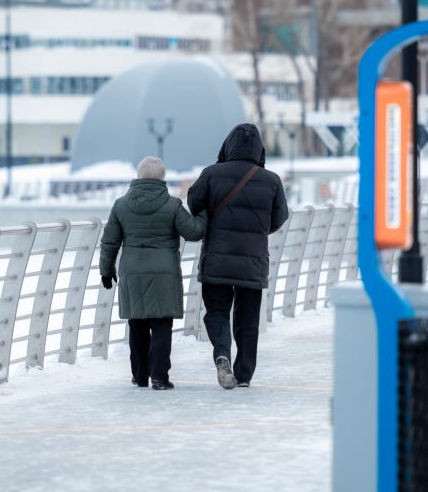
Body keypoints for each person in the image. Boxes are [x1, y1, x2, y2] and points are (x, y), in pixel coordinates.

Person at [188, 124, 289, 389]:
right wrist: (257, 231)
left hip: (217, 258)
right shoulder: (271, 180)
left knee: (218, 312)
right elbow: (280, 217)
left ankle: (223, 354)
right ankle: (244, 374)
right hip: (252, 260)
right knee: (248, 320)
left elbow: (194, 204)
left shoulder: (211, 174)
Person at [99, 156, 207, 391]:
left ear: (138, 176)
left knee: (137, 324)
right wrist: (204, 213)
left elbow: (109, 242)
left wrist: (106, 270)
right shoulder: (172, 205)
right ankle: (159, 377)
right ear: (163, 178)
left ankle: (139, 376)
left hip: (132, 273)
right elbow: (194, 232)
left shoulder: (121, 205)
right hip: (163, 273)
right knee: (161, 325)